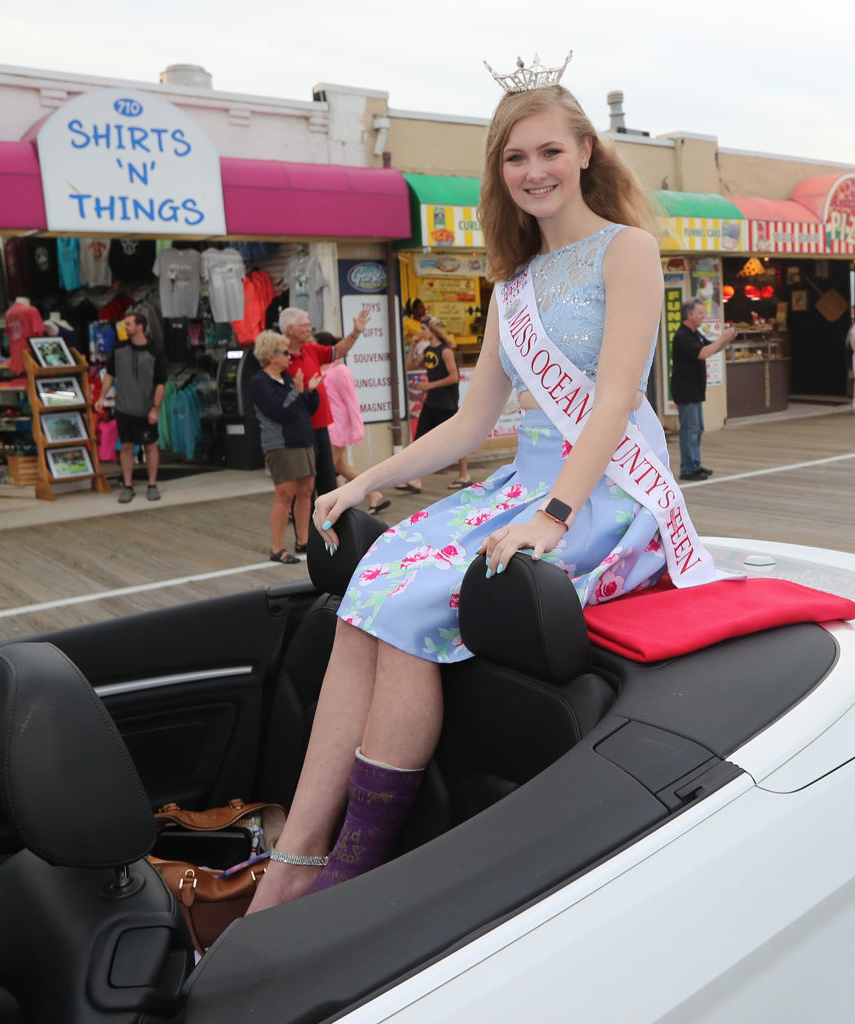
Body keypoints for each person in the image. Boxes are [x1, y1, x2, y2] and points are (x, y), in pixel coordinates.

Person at [248, 68, 725, 913]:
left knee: (409, 606)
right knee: (372, 587)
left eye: (550, 150)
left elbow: (615, 400)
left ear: (584, 152)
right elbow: (471, 426)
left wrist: (551, 516)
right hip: (526, 483)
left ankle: (351, 865)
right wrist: (365, 484)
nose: (534, 169)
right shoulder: (511, 286)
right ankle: (298, 857)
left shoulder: (630, 251)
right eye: (516, 157)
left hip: (606, 493)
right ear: (499, 171)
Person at [278, 305, 371, 497]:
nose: (309, 329)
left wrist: (355, 333)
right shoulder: (281, 357)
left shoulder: (311, 349)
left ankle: (330, 524)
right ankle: (308, 525)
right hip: (300, 429)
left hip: (323, 427)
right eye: (304, 325)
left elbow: (338, 351)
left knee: (328, 480)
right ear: (289, 329)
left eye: (309, 325)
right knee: (306, 487)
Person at [249, 330, 321, 565]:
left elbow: (306, 409)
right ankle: (277, 548)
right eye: (284, 352)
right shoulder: (259, 382)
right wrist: (298, 391)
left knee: (306, 490)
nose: (290, 356)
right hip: (281, 445)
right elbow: (279, 412)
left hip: (302, 440)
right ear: (271, 356)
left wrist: (309, 391)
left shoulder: (288, 378)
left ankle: (303, 540)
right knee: (284, 495)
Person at [94, 311, 167, 503]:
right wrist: (102, 397)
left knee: (150, 445)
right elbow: (110, 374)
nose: (124, 328)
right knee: (126, 446)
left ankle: (152, 484)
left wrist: (155, 408)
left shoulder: (155, 352)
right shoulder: (118, 349)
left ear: (140, 326)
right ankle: (128, 486)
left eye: (128, 324)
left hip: (145, 408)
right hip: (124, 407)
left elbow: (161, 383)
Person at [395, 315, 472, 493]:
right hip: (432, 401)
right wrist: (413, 345)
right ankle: (415, 480)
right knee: (419, 439)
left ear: (432, 330)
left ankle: (464, 475)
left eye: (423, 329)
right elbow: (410, 366)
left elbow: (454, 377)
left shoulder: (446, 351)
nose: (420, 332)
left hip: (446, 402)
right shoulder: (428, 349)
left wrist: (429, 385)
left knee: (456, 440)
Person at [315, 330, 389, 516]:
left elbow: (351, 400)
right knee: (341, 468)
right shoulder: (322, 369)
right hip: (329, 425)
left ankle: (334, 508)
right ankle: (373, 494)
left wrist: (357, 427)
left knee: (326, 471)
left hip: (337, 426)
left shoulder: (340, 371)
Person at [670, 298, 735, 480]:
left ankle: (695, 464)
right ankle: (687, 468)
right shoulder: (682, 335)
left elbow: (711, 348)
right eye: (700, 313)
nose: (703, 316)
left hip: (696, 390)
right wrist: (723, 337)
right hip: (686, 391)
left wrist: (727, 339)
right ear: (689, 315)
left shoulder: (694, 334)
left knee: (697, 429)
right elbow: (702, 353)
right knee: (689, 430)